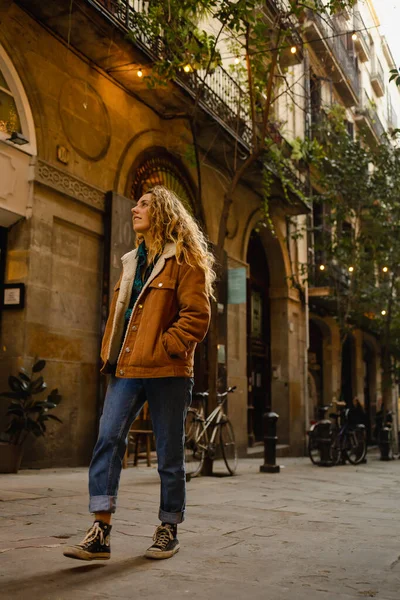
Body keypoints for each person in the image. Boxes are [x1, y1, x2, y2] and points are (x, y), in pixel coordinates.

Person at [63, 185, 215, 561]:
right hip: (126, 367)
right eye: (136, 203)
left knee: (169, 453)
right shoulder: (131, 260)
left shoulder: (185, 260)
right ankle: (100, 530)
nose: (135, 209)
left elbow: (197, 317)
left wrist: (165, 347)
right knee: (107, 440)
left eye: (145, 204)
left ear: (162, 212)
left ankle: (168, 527)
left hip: (167, 370)